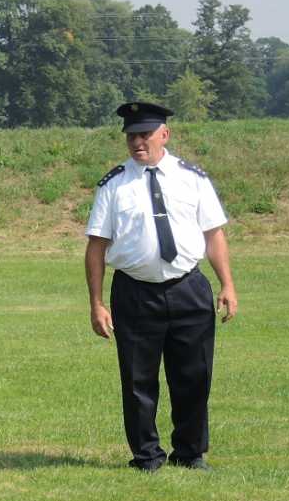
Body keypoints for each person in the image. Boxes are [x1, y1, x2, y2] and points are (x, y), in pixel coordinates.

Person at [84, 101, 239, 471]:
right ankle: (146, 455)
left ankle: (190, 452)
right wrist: (96, 302)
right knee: (138, 379)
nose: (138, 142)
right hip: (135, 292)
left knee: (194, 375)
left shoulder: (193, 178)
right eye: (132, 136)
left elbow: (214, 235)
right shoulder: (114, 185)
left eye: (145, 134)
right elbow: (96, 248)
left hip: (189, 287)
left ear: (164, 135)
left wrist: (227, 285)